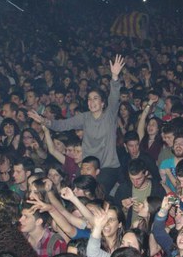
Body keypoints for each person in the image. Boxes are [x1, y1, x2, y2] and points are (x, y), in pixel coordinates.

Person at [30, 54, 125, 196]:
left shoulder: (109, 116)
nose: (91, 102)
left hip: (107, 166)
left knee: (97, 193)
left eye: (95, 99)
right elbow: (62, 125)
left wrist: (115, 77)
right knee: (77, 192)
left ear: (102, 102)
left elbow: (114, 97)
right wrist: (44, 120)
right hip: (87, 166)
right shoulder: (84, 117)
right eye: (89, 99)